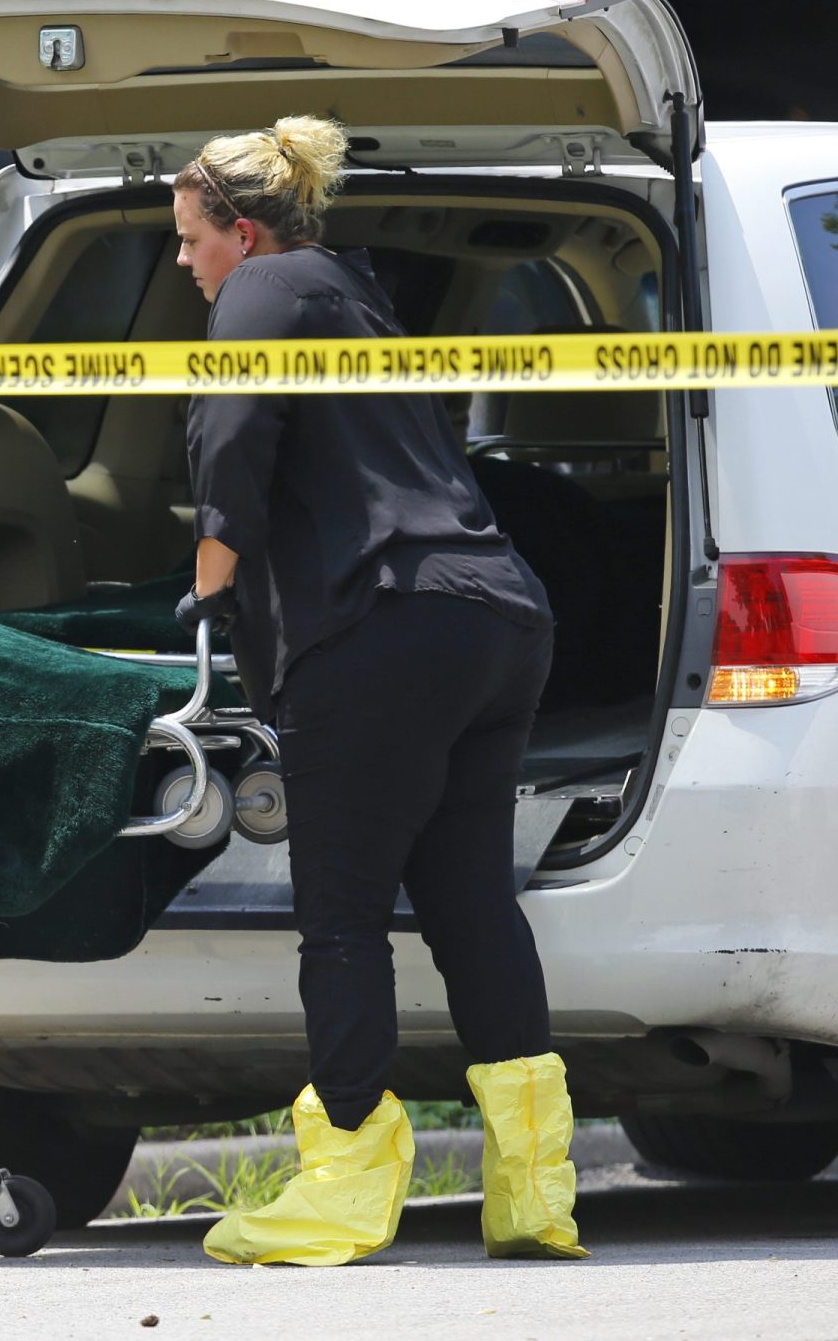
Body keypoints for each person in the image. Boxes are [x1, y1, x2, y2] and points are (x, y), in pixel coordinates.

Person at [171, 116, 587, 1266]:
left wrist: (211, 576)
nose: (185, 262)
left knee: (342, 917)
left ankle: (346, 1183)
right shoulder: (353, 294)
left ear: (240, 230)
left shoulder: (261, 291)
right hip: (497, 613)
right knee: (469, 906)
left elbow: (236, 433)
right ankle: (533, 1188)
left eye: (190, 239)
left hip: (384, 626)